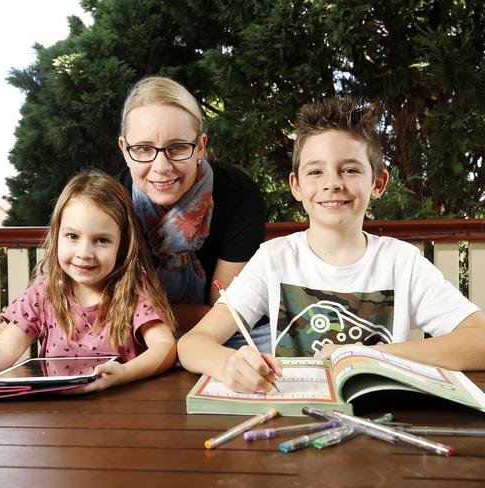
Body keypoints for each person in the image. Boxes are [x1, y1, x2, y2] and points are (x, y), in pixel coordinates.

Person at [177, 96, 485, 394]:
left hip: (384, 418)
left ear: (378, 183)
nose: (332, 183)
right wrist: (227, 364)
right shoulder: (273, 259)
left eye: (350, 169)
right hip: (294, 418)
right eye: (315, 171)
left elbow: (480, 341)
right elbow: (192, 344)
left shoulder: (402, 262)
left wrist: (371, 356)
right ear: (296, 186)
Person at [0, 170, 177, 402]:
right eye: (72, 236)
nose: (85, 252)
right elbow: (1, 352)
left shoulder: (133, 291)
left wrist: (124, 374)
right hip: (55, 423)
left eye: (101, 240)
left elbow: (165, 348)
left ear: (122, 244)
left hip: (126, 415)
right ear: (56, 237)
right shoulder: (44, 293)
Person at [117, 76, 267, 338]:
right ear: (124, 149)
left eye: (177, 147)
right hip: (137, 343)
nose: (161, 167)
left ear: (200, 147)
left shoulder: (238, 195)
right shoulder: (110, 199)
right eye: (142, 148)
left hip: (223, 336)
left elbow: (226, 314)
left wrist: (132, 312)